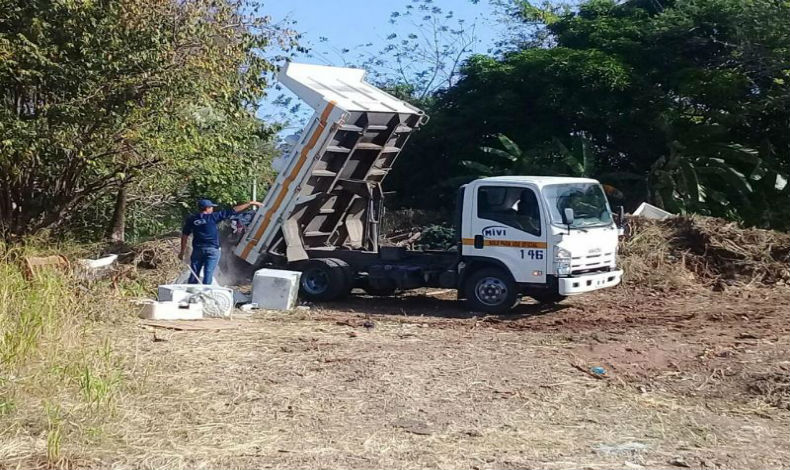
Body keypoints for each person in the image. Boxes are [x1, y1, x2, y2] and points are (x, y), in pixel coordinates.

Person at [179, 198, 262, 284]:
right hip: (212, 250)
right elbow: (233, 210)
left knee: (194, 273)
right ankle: (206, 292)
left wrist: (182, 252)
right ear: (207, 208)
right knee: (208, 273)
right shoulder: (213, 217)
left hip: (198, 250)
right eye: (211, 207)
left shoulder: (191, 219)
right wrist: (250, 203)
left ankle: (191, 291)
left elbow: (184, 236)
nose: (213, 209)